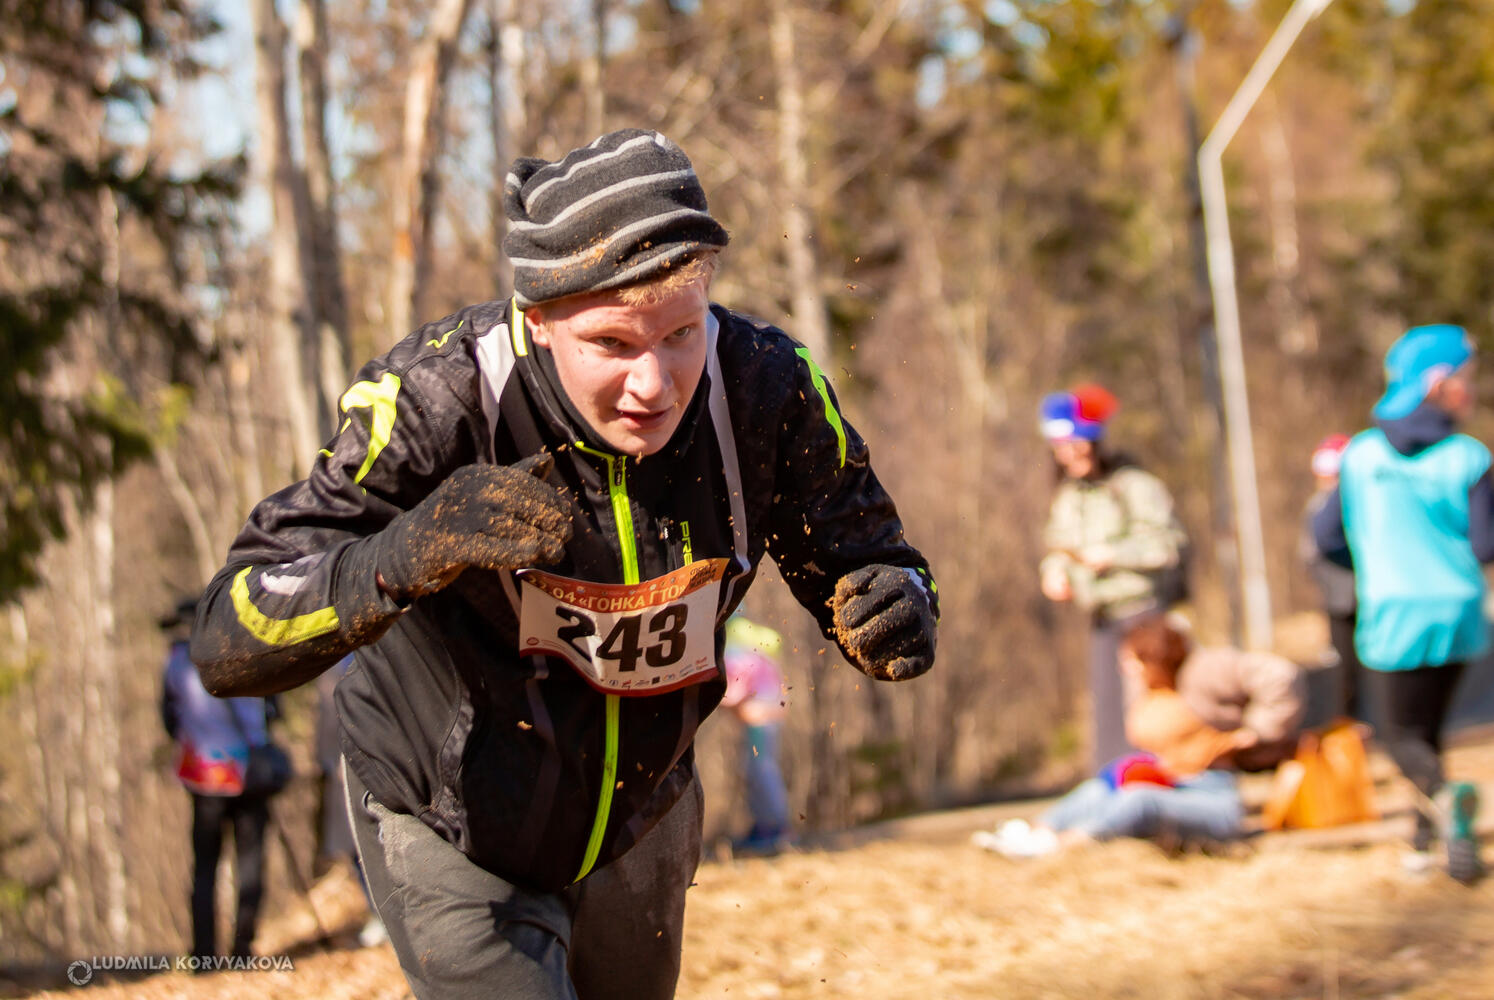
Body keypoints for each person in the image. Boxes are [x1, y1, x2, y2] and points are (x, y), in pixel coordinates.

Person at [189, 128, 938, 998]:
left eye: (681, 333)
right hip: (451, 822)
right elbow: (227, 631)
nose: (654, 384)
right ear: (538, 320)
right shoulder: (439, 398)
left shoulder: (767, 386)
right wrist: (400, 555)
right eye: (613, 344)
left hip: (640, 818)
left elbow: (872, 559)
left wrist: (893, 603)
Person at [1313, 323, 1486, 883]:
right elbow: (1486, 544)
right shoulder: (1468, 456)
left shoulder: (1362, 454)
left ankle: (1443, 796)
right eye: (1467, 376)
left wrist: (1372, 559)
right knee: (1426, 729)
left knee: (1398, 736)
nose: (1474, 387)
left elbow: (1326, 535)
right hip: (1458, 611)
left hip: (1393, 611)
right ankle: (1426, 840)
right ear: (1437, 383)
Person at [974, 615, 1256, 857]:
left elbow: (1270, 682)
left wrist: (1257, 731)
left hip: (1214, 799)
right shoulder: (1148, 697)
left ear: (1151, 658)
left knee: (1139, 799)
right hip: (1175, 788)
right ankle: (1034, 831)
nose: (1124, 667)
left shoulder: (1199, 693)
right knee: (1098, 790)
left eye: (1131, 659)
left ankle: (1059, 847)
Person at [1037, 383, 1189, 771]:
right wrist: (1054, 572)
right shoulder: (1069, 496)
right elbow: (1058, 546)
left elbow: (1168, 546)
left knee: (1144, 716)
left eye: (1076, 446)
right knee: (1107, 719)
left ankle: (1155, 783)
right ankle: (1113, 783)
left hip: (1143, 617)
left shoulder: (1137, 487)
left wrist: (1114, 555)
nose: (1068, 456)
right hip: (1102, 619)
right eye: (1061, 449)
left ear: (1094, 443)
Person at [159, 596, 273, 962]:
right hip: (250, 772)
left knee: (205, 866)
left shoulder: (177, 663)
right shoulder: (249, 650)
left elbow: (170, 719)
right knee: (250, 861)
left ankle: (204, 953)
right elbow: (273, 709)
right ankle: (243, 947)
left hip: (204, 776)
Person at [1300, 433, 1364, 720]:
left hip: (1359, 594)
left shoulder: (1355, 501)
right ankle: (1350, 722)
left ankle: (1359, 721)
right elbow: (1313, 551)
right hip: (1341, 597)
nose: (1329, 480)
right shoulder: (1318, 506)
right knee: (1346, 667)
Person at [719, 615, 793, 854]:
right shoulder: (761, 656)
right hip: (768, 717)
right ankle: (766, 826)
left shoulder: (738, 656)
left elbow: (733, 694)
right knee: (759, 769)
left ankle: (773, 829)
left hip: (759, 721)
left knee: (761, 771)